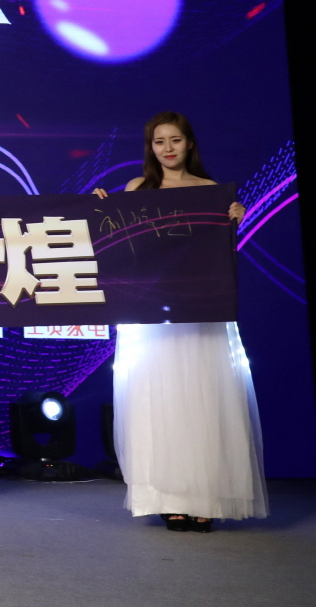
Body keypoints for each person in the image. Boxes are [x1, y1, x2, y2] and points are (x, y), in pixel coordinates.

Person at [96, 111, 265, 532]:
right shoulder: (137, 189)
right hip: (151, 316)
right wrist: (99, 210)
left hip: (201, 315)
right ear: (150, 147)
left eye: (175, 140)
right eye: (159, 142)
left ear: (189, 143)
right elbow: (121, 245)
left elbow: (218, 257)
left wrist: (234, 222)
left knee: (203, 403)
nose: (167, 149)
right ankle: (167, 497)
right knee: (158, 402)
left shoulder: (210, 193)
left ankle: (205, 498)